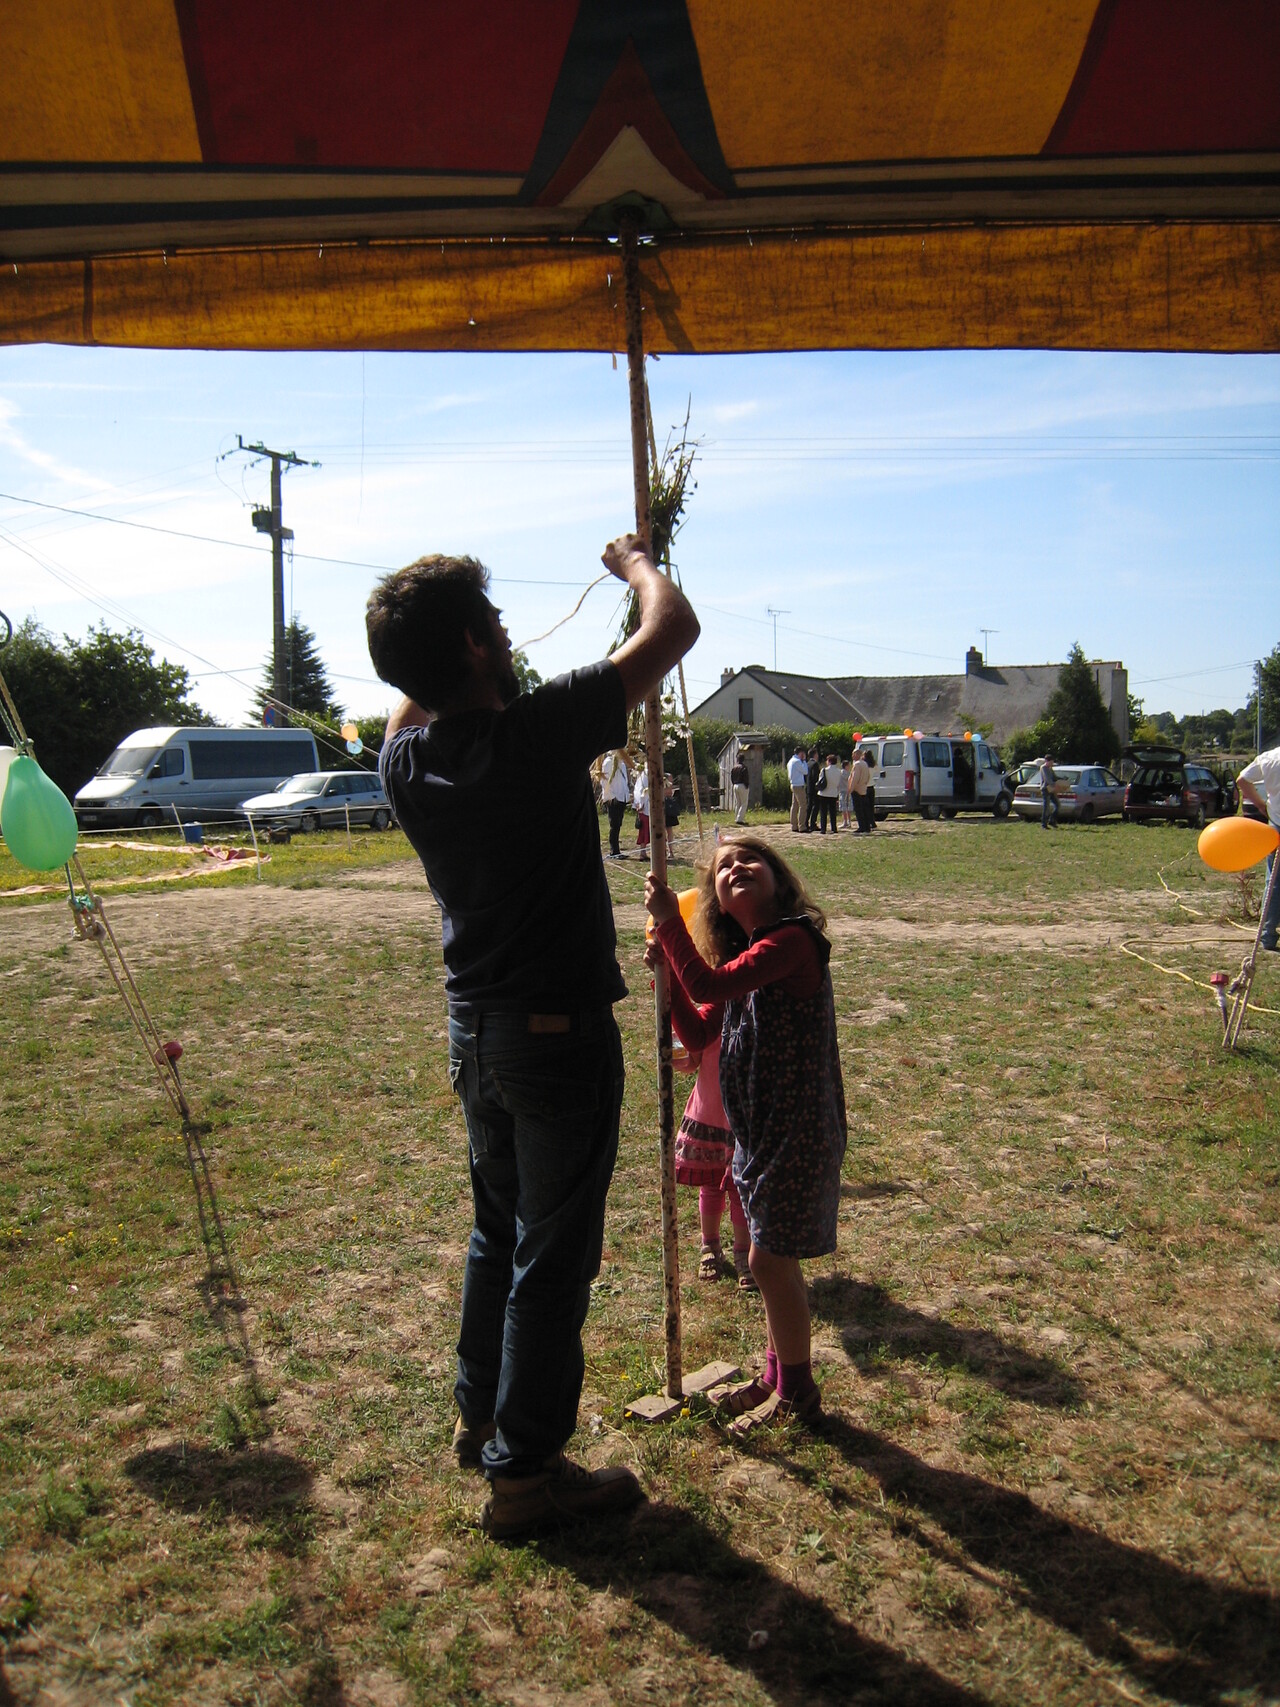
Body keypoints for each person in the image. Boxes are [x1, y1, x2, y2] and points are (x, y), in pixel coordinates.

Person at [366, 532, 698, 1538]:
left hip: (475, 1033)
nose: (511, 633)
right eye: (495, 623)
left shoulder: (403, 761)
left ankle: (482, 1418)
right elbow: (672, 627)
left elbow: (410, 695)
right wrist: (634, 562)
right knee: (551, 1258)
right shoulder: (538, 730)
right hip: (554, 1039)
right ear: (472, 646)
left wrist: (429, 648)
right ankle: (526, 1474)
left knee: (498, 1231)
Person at [644, 832, 847, 1433]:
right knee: (771, 1260)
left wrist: (669, 926)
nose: (736, 867)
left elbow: (709, 987)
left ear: (778, 879)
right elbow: (699, 1028)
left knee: (766, 1260)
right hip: (757, 1131)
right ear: (715, 901)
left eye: (749, 859)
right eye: (724, 866)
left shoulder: (791, 942)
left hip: (797, 1128)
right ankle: (776, 1374)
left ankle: (797, 1392)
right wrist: (667, 977)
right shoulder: (743, 961)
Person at [669, 997, 753, 1289]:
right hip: (710, 1114)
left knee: (740, 1189)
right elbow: (689, 1060)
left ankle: (743, 1252)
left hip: (742, 1119)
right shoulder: (709, 1016)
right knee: (711, 1184)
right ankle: (710, 1244)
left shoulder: (753, 1014)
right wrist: (673, 1045)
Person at [1237, 744, 1280, 951]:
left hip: (1276, 823)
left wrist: (1261, 805)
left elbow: (1242, 780)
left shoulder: (1269, 758)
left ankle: (1267, 935)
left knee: (1274, 881)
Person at [601, 748, 629, 858]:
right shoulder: (608, 762)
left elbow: (623, 780)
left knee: (618, 824)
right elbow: (604, 781)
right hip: (613, 798)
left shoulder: (622, 764)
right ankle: (614, 851)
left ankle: (617, 849)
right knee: (614, 824)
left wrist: (626, 794)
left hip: (621, 797)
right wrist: (612, 796)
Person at [848, 747, 873, 833]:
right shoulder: (865, 764)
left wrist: (851, 788)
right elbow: (868, 776)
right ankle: (867, 826)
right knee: (865, 809)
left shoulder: (857, 764)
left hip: (857, 789)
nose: (852, 756)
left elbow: (855, 778)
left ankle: (861, 826)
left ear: (857, 754)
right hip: (863, 788)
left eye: (853, 754)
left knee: (858, 809)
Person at [817, 753, 841, 834]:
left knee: (823, 812)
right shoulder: (839, 771)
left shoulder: (824, 770)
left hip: (824, 793)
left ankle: (823, 828)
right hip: (833, 793)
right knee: (833, 812)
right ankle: (834, 828)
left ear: (829, 761)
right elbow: (838, 783)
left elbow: (820, 780)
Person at [787, 746, 808, 832]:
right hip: (799, 785)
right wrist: (804, 761)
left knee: (794, 805)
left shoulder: (790, 761)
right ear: (801, 753)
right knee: (803, 805)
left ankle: (794, 825)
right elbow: (805, 771)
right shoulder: (797, 761)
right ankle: (802, 826)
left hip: (793, 784)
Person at [633, 765, 650, 856]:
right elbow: (640, 791)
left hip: (649, 806)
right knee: (644, 830)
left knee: (647, 830)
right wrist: (640, 804)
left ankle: (661, 851)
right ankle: (643, 852)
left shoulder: (646, 774)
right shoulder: (644, 774)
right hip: (645, 807)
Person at [805, 748, 822, 832]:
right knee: (816, 806)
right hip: (814, 788)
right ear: (815, 755)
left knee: (809, 805)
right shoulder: (815, 764)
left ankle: (805, 822)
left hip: (808, 787)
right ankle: (813, 823)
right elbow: (815, 776)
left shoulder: (807, 763)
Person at [1040, 756, 1059, 829]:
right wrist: (1054, 785)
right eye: (1051, 762)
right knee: (1046, 807)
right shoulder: (1043, 768)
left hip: (1051, 789)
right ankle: (1044, 824)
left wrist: (1062, 779)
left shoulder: (1050, 768)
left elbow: (1054, 777)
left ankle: (1052, 820)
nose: (1052, 763)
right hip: (1045, 789)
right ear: (1047, 761)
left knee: (1057, 805)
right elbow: (1047, 779)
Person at [730, 755, 750, 825]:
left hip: (735, 785)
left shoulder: (734, 767)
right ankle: (740, 819)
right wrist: (747, 785)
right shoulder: (744, 767)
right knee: (744, 803)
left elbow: (732, 777)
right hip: (742, 785)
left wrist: (734, 784)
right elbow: (746, 778)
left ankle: (736, 817)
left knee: (738, 803)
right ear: (743, 759)